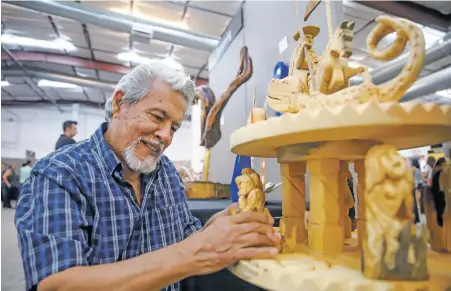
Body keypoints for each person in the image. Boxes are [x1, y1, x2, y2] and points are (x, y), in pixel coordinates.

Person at [15, 58, 279, 291]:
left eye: (174, 127)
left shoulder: (166, 174)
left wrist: (218, 226)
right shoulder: (59, 175)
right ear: (119, 103)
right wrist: (189, 256)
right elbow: (58, 285)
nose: (165, 136)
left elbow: (185, 238)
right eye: (157, 117)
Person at [411, 158, 425, 224]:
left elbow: (412, 177)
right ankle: (420, 207)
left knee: (416, 196)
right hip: (421, 183)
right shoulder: (419, 169)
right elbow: (421, 177)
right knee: (420, 196)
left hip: (416, 184)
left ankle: (418, 207)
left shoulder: (413, 168)